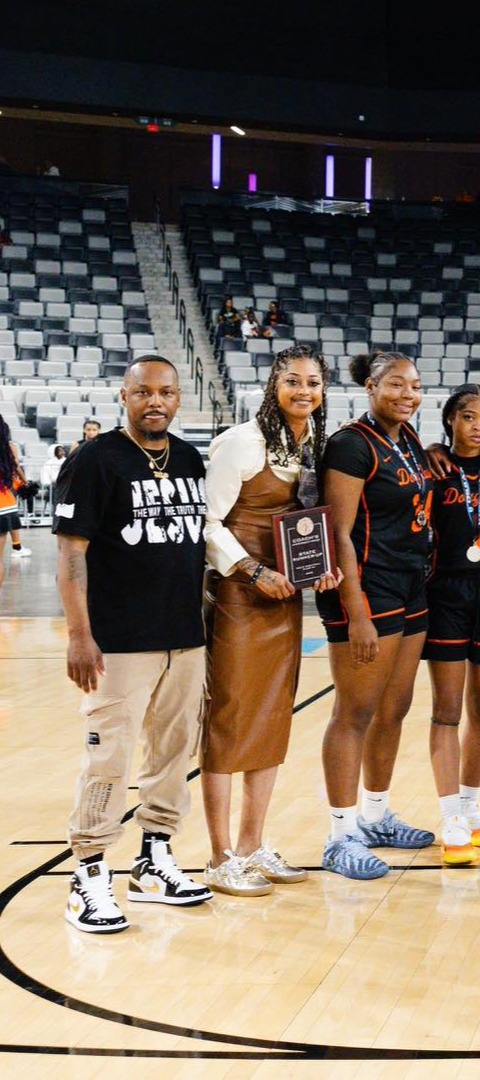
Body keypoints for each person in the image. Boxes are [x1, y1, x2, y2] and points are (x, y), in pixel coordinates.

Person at [54, 356, 214, 932]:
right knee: (109, 757)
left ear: (178, 398)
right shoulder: (95, 461)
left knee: (173, 754)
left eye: (166, 392)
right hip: (118, 641)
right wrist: (79, 635)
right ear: (124, 395)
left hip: (183, 637)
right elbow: (72, 554)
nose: (156, 402)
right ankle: (88, 875)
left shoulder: (191, 456)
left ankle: (155, 860)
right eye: (144, 392)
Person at [200, 345, 340, 895]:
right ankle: (218, 855)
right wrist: (251, 570)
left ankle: (254, 845)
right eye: (292, 381)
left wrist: (320, 567)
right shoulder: (240, 442)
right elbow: (207, 522)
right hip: (237, 597)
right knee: (229, 721)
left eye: (313, 382)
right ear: (272, 385)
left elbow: (305, 526)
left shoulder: (314, 445)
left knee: (272, 719)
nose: (303, 391)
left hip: (283, 601)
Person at [314, 352, 437, 879]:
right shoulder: (349, 444)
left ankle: (377, 816)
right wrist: (356, 610)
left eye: (414, 385)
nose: (407, 394)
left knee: (394, 707)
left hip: (411, 584)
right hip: (367, 588)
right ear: (370, 386)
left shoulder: (407, 438)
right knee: (355, 712)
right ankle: (340, 836)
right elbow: (337, 532)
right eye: (395, 385)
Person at [423, 384, 480, 864]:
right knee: (447, 709)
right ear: (450, 420)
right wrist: (430, 449)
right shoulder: (432, 467)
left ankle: (472, 806)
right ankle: (449, 815)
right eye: (467, 417)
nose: (478, 427)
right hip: (447, 592)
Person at [0, 420, 24, 559]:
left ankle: (17, 546)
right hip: (5, 498)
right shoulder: (8, 448)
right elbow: (16, 466)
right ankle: (17, 546)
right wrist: (24, 482)